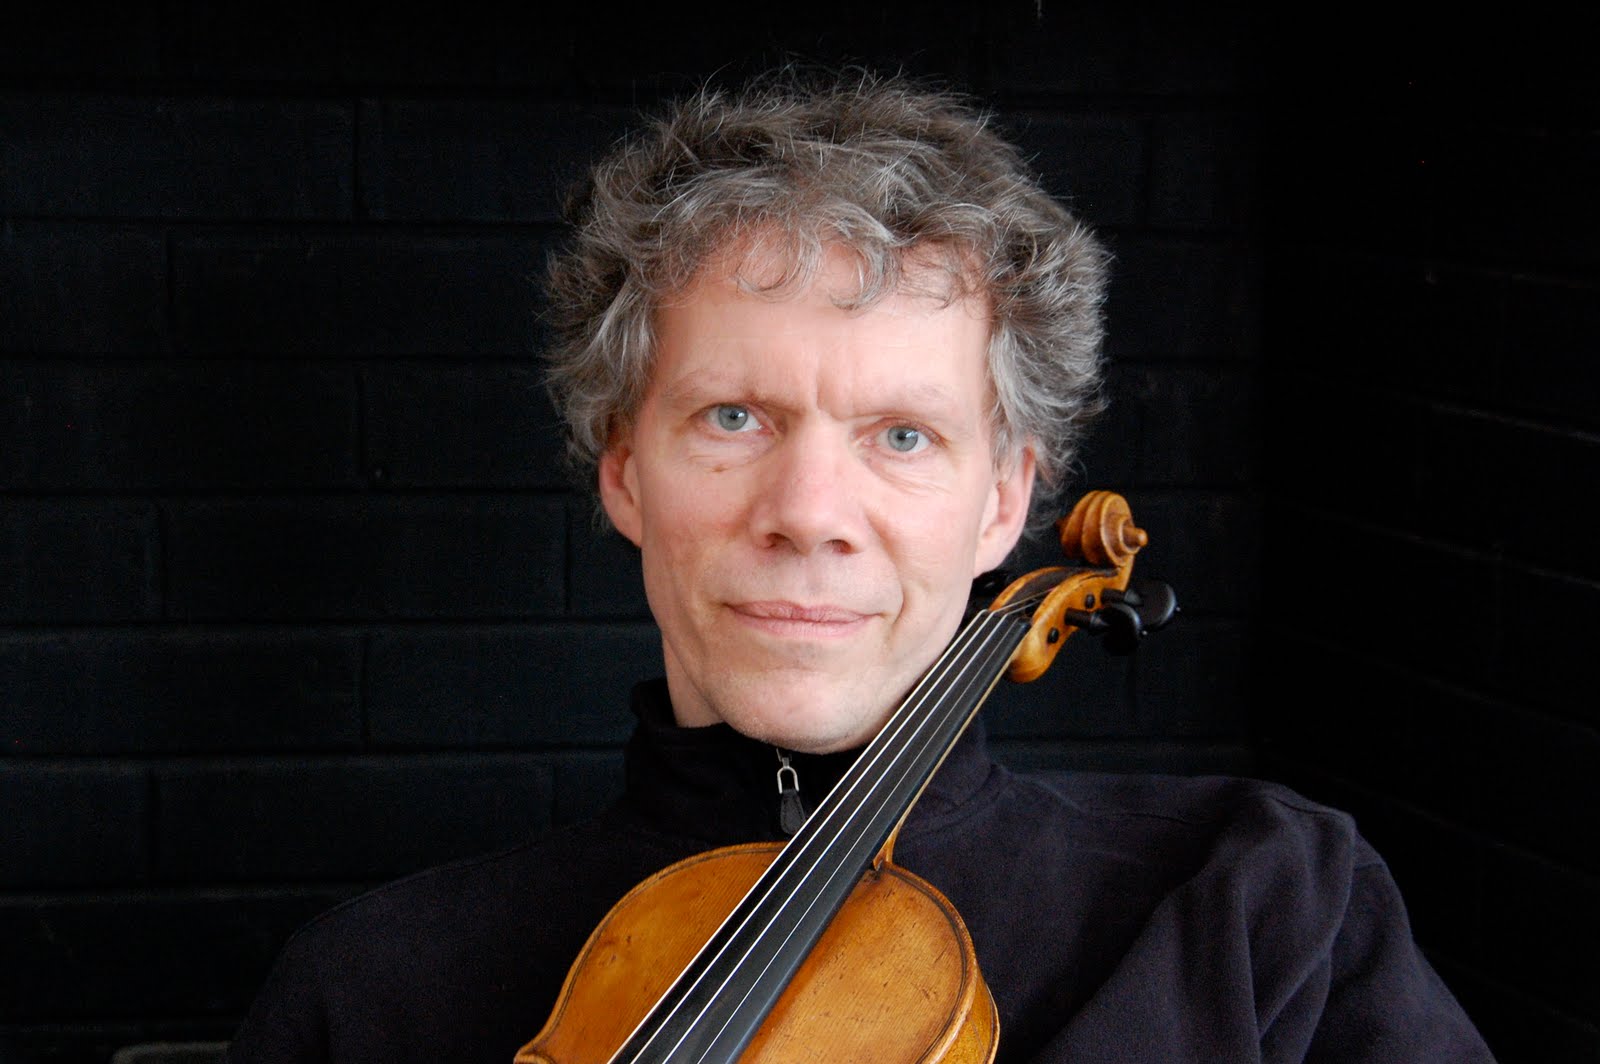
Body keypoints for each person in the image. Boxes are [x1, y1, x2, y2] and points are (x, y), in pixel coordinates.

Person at [227, 70, 1494, 1063]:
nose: (809, 512)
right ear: (623, 471)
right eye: (734, 417)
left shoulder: (1256, 905)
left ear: (1004, 499)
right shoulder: (378, 990)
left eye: (901, 435)